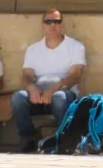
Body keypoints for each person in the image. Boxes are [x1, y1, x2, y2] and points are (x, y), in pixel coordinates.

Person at [12, 8, 87, 152]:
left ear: (62, 25)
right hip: (39, 91)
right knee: (18, 97)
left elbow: (75, 76)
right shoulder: (33, 49)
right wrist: (32, 88)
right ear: (43, 25)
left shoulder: (75, 46)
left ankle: (64, 139)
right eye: (49, 22)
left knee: (59, 97)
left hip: (64, 92)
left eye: (57, 21)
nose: (53, 25)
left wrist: (53, 89)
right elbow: (26, 75)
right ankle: (28, 139)